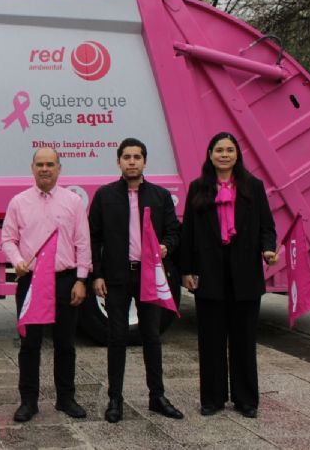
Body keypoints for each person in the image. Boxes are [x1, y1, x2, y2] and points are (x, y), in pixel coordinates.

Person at [178, 132, 278, 418]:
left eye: (229, 150)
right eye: (219, 150)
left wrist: (268, 249)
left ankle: (246, 400)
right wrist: (186, 270)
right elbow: (189, 233)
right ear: (210, 154)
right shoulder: (198, 187)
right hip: (209, 270)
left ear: (237, 154)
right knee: (210, 339)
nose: (224, 155)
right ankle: (212, 398)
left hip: (245, 270)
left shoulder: (253, 187)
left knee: (244, 338)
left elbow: (267, 227)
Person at [88, 138, 184, 423]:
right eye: (126, 157)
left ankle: (157, 396)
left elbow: (174, 231)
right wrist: (97, 275)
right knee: (116, 338)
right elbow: (93, 237)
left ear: (144, 161)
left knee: (152, 337)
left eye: (137, 157)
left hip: (148, 276)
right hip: (116, 277)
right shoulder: (104, 196)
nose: (132, 161)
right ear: (118, 161)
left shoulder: (159, 196)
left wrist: (166, 246)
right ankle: (115, 400)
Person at [1, 147, 91, 422]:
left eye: (50, 164)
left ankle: (66, 398)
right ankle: (28, 401)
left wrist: (81, 279)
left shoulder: (73, 202)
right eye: (39, 164)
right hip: (31, 282)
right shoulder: (18, 202)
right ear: (32, 168)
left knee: (65, 344)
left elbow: (82, 242)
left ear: (59, 168)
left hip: (64, 281)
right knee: (30, 344)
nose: (44, 169)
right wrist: (16, 261)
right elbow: (8, 239)